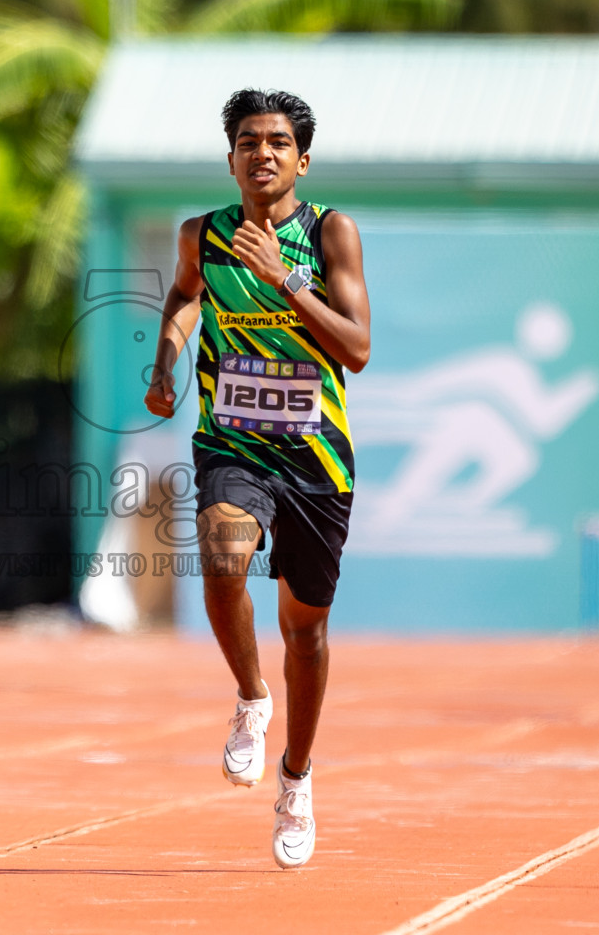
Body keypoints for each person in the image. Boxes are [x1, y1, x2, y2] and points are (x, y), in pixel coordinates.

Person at [144, 89, 371, 869]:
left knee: (304, 632)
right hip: (232, 443)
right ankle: (250, 697)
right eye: (248, 141)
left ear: (301, 159)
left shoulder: (330, 232)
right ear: (232, 157)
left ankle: (298, 778)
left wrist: (283, 279)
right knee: (221, 560)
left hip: (317, 459)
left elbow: (357, 348)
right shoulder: (201, 237)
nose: (263, 152)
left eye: (278, 142)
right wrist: (167, 359)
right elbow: (182, 297)